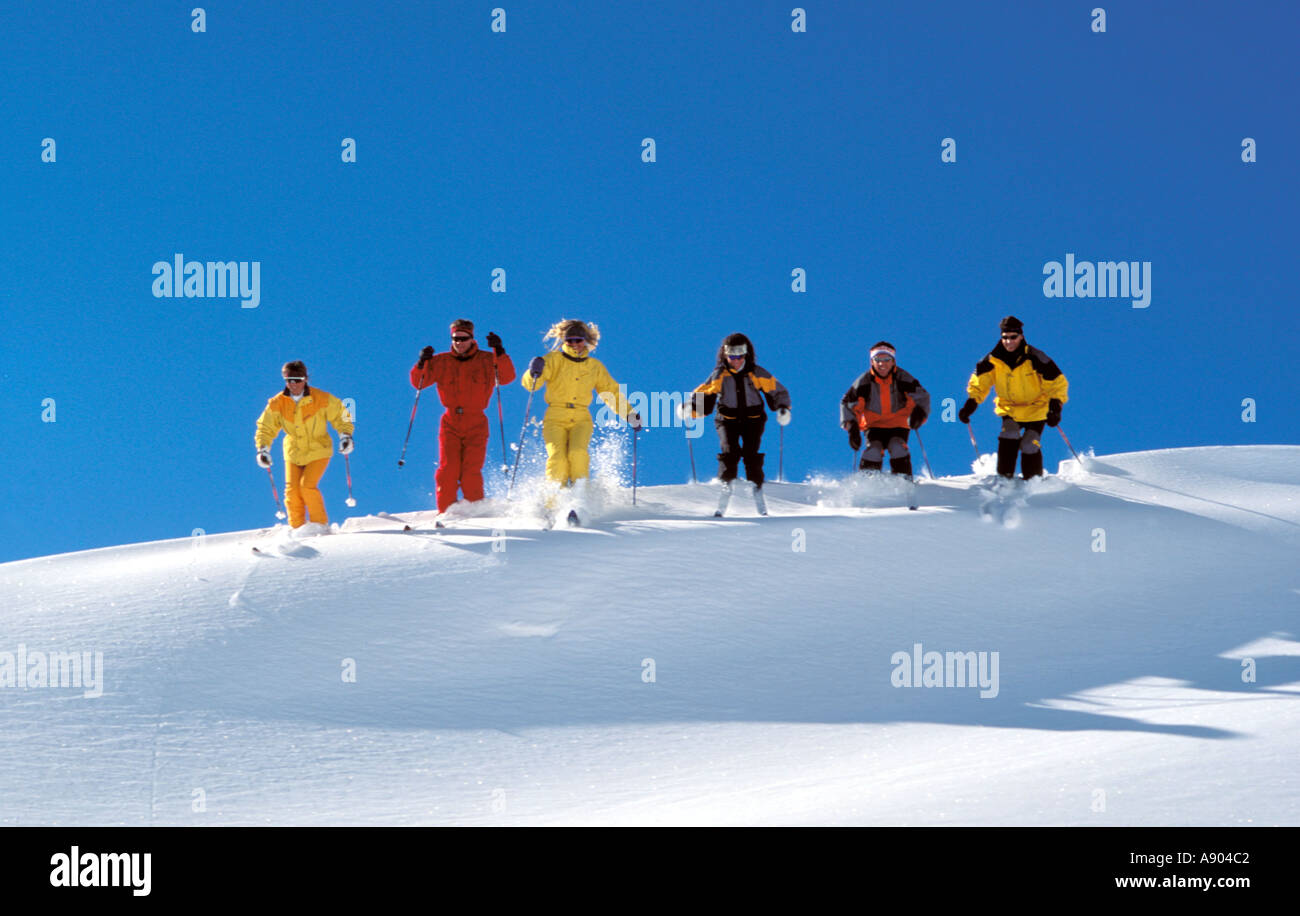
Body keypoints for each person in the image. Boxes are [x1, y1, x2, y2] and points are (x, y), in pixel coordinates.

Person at [410, 319, 516, 513]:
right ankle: (446, 512)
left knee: (470, 471)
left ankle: (474, 511)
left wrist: (500, 352)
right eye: (455, 338)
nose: (459, 343)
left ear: (472, 338)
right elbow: (419, 383)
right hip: (450, 420)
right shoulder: (441, 361)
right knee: (448, 470)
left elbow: (507, 378)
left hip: (476, 420)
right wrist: (422, 362)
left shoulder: (486, 360)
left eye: (463, 338)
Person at [520, 319, 640, 490]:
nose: (574, 344)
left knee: (577, 454)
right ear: (564, 341)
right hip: (555, 415)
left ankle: (579, 495)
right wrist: (533, 372)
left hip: (581, 418)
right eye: (570, 340)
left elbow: (610, 392)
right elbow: (531, 385)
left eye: (578, 340)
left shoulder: (594, 366)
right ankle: (554, 498)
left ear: (586, 341)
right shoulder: (554, 360)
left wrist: (630, 414)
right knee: (558, 459)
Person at [683, 332, 790, 516]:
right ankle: (725, 491)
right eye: (731, 355)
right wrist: (690, 409)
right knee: (729, 452)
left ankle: (758, 494)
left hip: (753, 421)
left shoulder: (756, 372)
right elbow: (704, 392)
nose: (736, 360)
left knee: (751, 454)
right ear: (725, 355)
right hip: (727, 421)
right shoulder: (719, 375)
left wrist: (782, 408)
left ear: (746, 354)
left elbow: (777, 390)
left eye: (740, 354)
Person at [958, 315, 1069, 479]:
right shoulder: (991, 360)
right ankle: (1004, 477)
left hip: (1036, 409)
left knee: (1029, 444)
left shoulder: (1036, 357)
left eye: (1013, 337)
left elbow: (1056, 383)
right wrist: (970, 404)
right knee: (1008, 433)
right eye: (1005, 338)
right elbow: (979, 383)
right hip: (1010, 408)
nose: (1009, 342)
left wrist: (1055, 406)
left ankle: (1033, 481)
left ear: (1021, 336)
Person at [255, 360, 355, 534]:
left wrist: (345, 435)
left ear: (306, 379)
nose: (293, 384)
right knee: (292, 492)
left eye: (297, 379)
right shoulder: (277, 403)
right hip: (293, 452)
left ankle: (319, 526)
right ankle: (298, 530)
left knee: (307, 486)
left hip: (319, 449)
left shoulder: (321, 398)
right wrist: (263, 448)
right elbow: (266, 427)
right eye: (289, 380)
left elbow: (341, 414)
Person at [839, 341, 929, 477]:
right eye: (878, 360)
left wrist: (919, 412)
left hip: (898, 424)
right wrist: (852, 427)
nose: (882, 364)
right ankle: (867, 483)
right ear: (872, 362)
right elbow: (848, 402)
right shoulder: (865, 381)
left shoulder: (902, 378)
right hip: (874, 426)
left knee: (898, 447)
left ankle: (903, 481)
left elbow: (922, 396)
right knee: (873, 450)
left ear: (893, 361)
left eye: (887, 359)